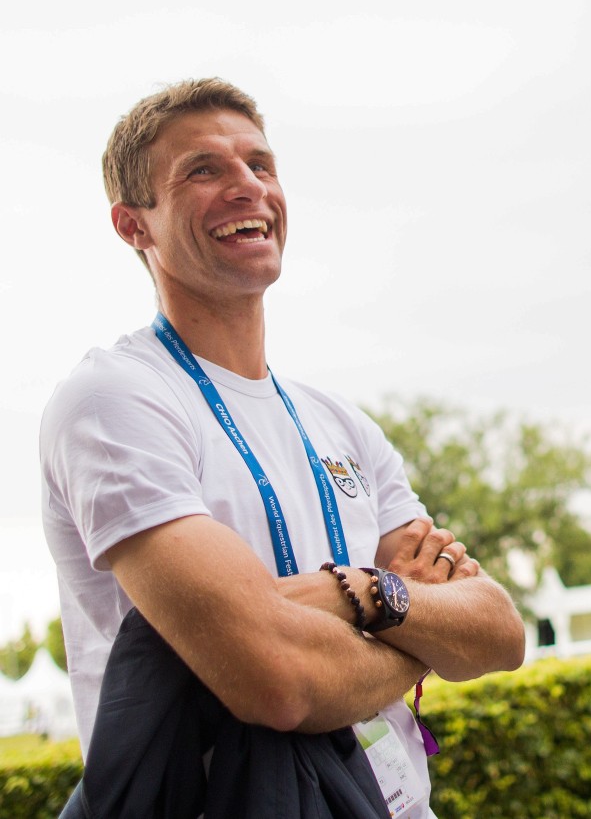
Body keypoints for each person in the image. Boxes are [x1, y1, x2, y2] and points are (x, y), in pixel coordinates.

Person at [41, 78, 526, 817]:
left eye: (260, 165)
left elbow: (497, 629)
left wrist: (353, 596)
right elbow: (277, 680)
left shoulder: (340, 422)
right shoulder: (115, 399)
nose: (247, 187)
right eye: (203, 170)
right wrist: (413, 617)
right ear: (133, 225)